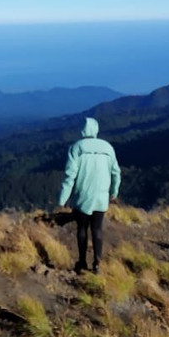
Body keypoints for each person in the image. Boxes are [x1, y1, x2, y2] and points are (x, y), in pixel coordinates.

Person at [56, 117, 121, 274]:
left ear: (83, 130)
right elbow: (116, 173)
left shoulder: (76, 147)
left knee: (82, 228)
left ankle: (82, 262)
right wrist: (114, 192)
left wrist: (62, 200)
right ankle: (97, 263)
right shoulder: (108, 147)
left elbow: (70, 176)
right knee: (97, 228)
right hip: (101, 196)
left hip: (83, 196)